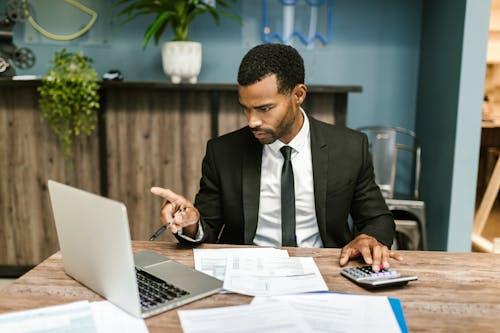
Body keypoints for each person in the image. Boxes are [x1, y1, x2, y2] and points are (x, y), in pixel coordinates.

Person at [151, 43, 402, 271]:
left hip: (325, 269)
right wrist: (191, 224)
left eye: (265, 108)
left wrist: (370, 238)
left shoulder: (348, 147)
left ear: (298, 95)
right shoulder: (223, 152)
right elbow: (208, 228)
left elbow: (377, 218)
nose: (252, 121)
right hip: (247, 273)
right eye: (245, 109)